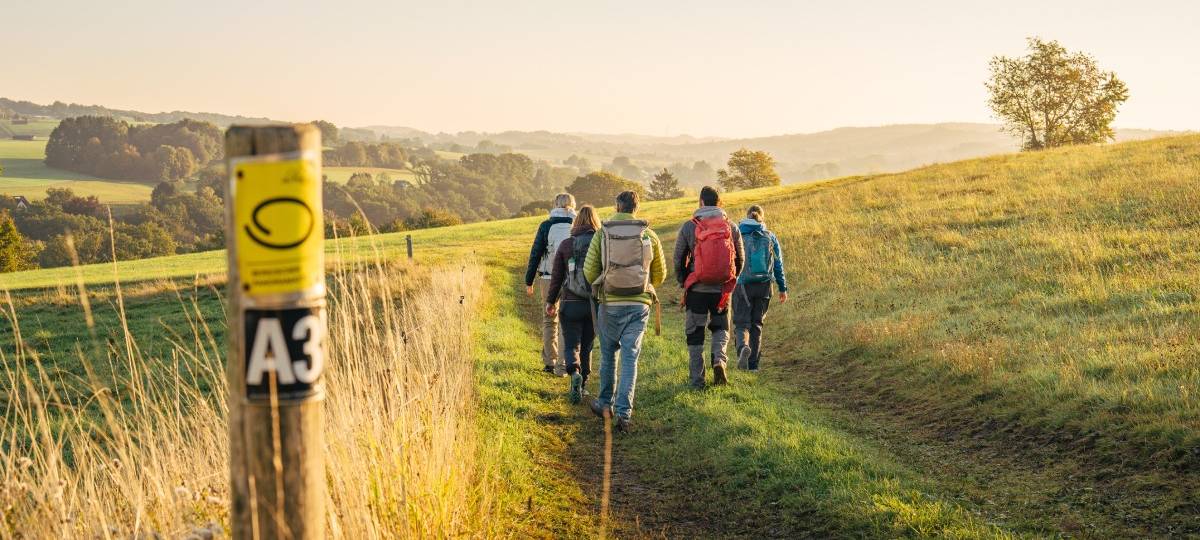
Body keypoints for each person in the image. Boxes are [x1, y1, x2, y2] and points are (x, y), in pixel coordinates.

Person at [583, 190, 666, 432]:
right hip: (639, 304)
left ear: (617, 206)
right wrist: (642, 285)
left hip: (609, 302)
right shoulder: (648, 234)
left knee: (609, 355)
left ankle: (605, 403)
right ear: (636, 208)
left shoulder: (603, 233)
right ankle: (624, 413)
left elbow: (589, 272)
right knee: (631, 358)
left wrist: (606, 282)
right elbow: (660, 275)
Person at [673, 186, 744, 389]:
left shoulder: (689, 226)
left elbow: (678, 258)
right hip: (721, 291)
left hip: (697, 289)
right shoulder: (730, 226)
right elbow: (741, 257)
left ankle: (697, 380)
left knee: (695, 333)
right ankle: (719, 361)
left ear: (701, 202)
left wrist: (683, 280)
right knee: (721, 328)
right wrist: (731, 279)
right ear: (719, 203)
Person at [546, 204, 600, 404]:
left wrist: (551, 301)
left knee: (571, 344)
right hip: (593, 303)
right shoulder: (600, 243)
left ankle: (574, 372)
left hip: (570, 302)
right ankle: (584, 384)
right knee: (587, 345)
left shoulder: (567, 244)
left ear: (576, 221)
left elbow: (557, 278)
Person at [524, 193, 576, 375]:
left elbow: (535, 253)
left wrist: (529, 280)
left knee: (549, 319)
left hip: (548, 277)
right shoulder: (577, 224)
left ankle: (550, 362)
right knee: (566, 321)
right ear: (572, 205)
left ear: (555, 205)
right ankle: (563, 364)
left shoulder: (546, 225)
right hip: (572, 278)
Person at [733, 205, 788, 371]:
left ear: (747, 216)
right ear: (761, 218)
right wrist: (782, 288)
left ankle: (743, 348)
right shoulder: (770, 236)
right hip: (765, 286)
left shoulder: (738, 234)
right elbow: (778, 264)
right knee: (757, 324)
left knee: (742, 323)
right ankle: (753, 365)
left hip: (742, 285)